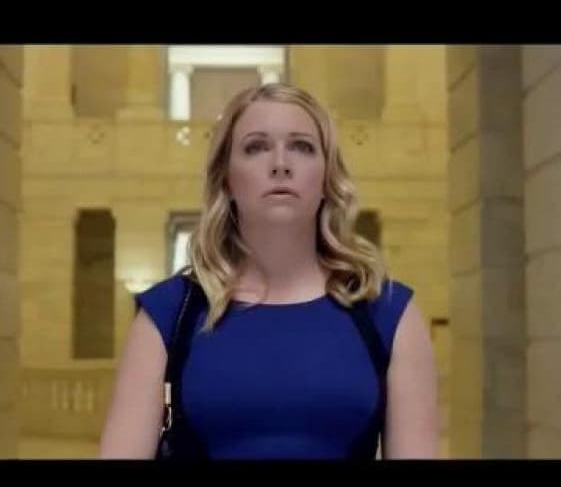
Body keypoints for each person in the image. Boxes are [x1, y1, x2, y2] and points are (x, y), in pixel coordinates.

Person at [99, 83, 439, 460]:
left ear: (327, 178)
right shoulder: (170, 314)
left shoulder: (388, 314)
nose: (280, 164)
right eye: (256, 147)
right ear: (227, 179)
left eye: (302, 147)